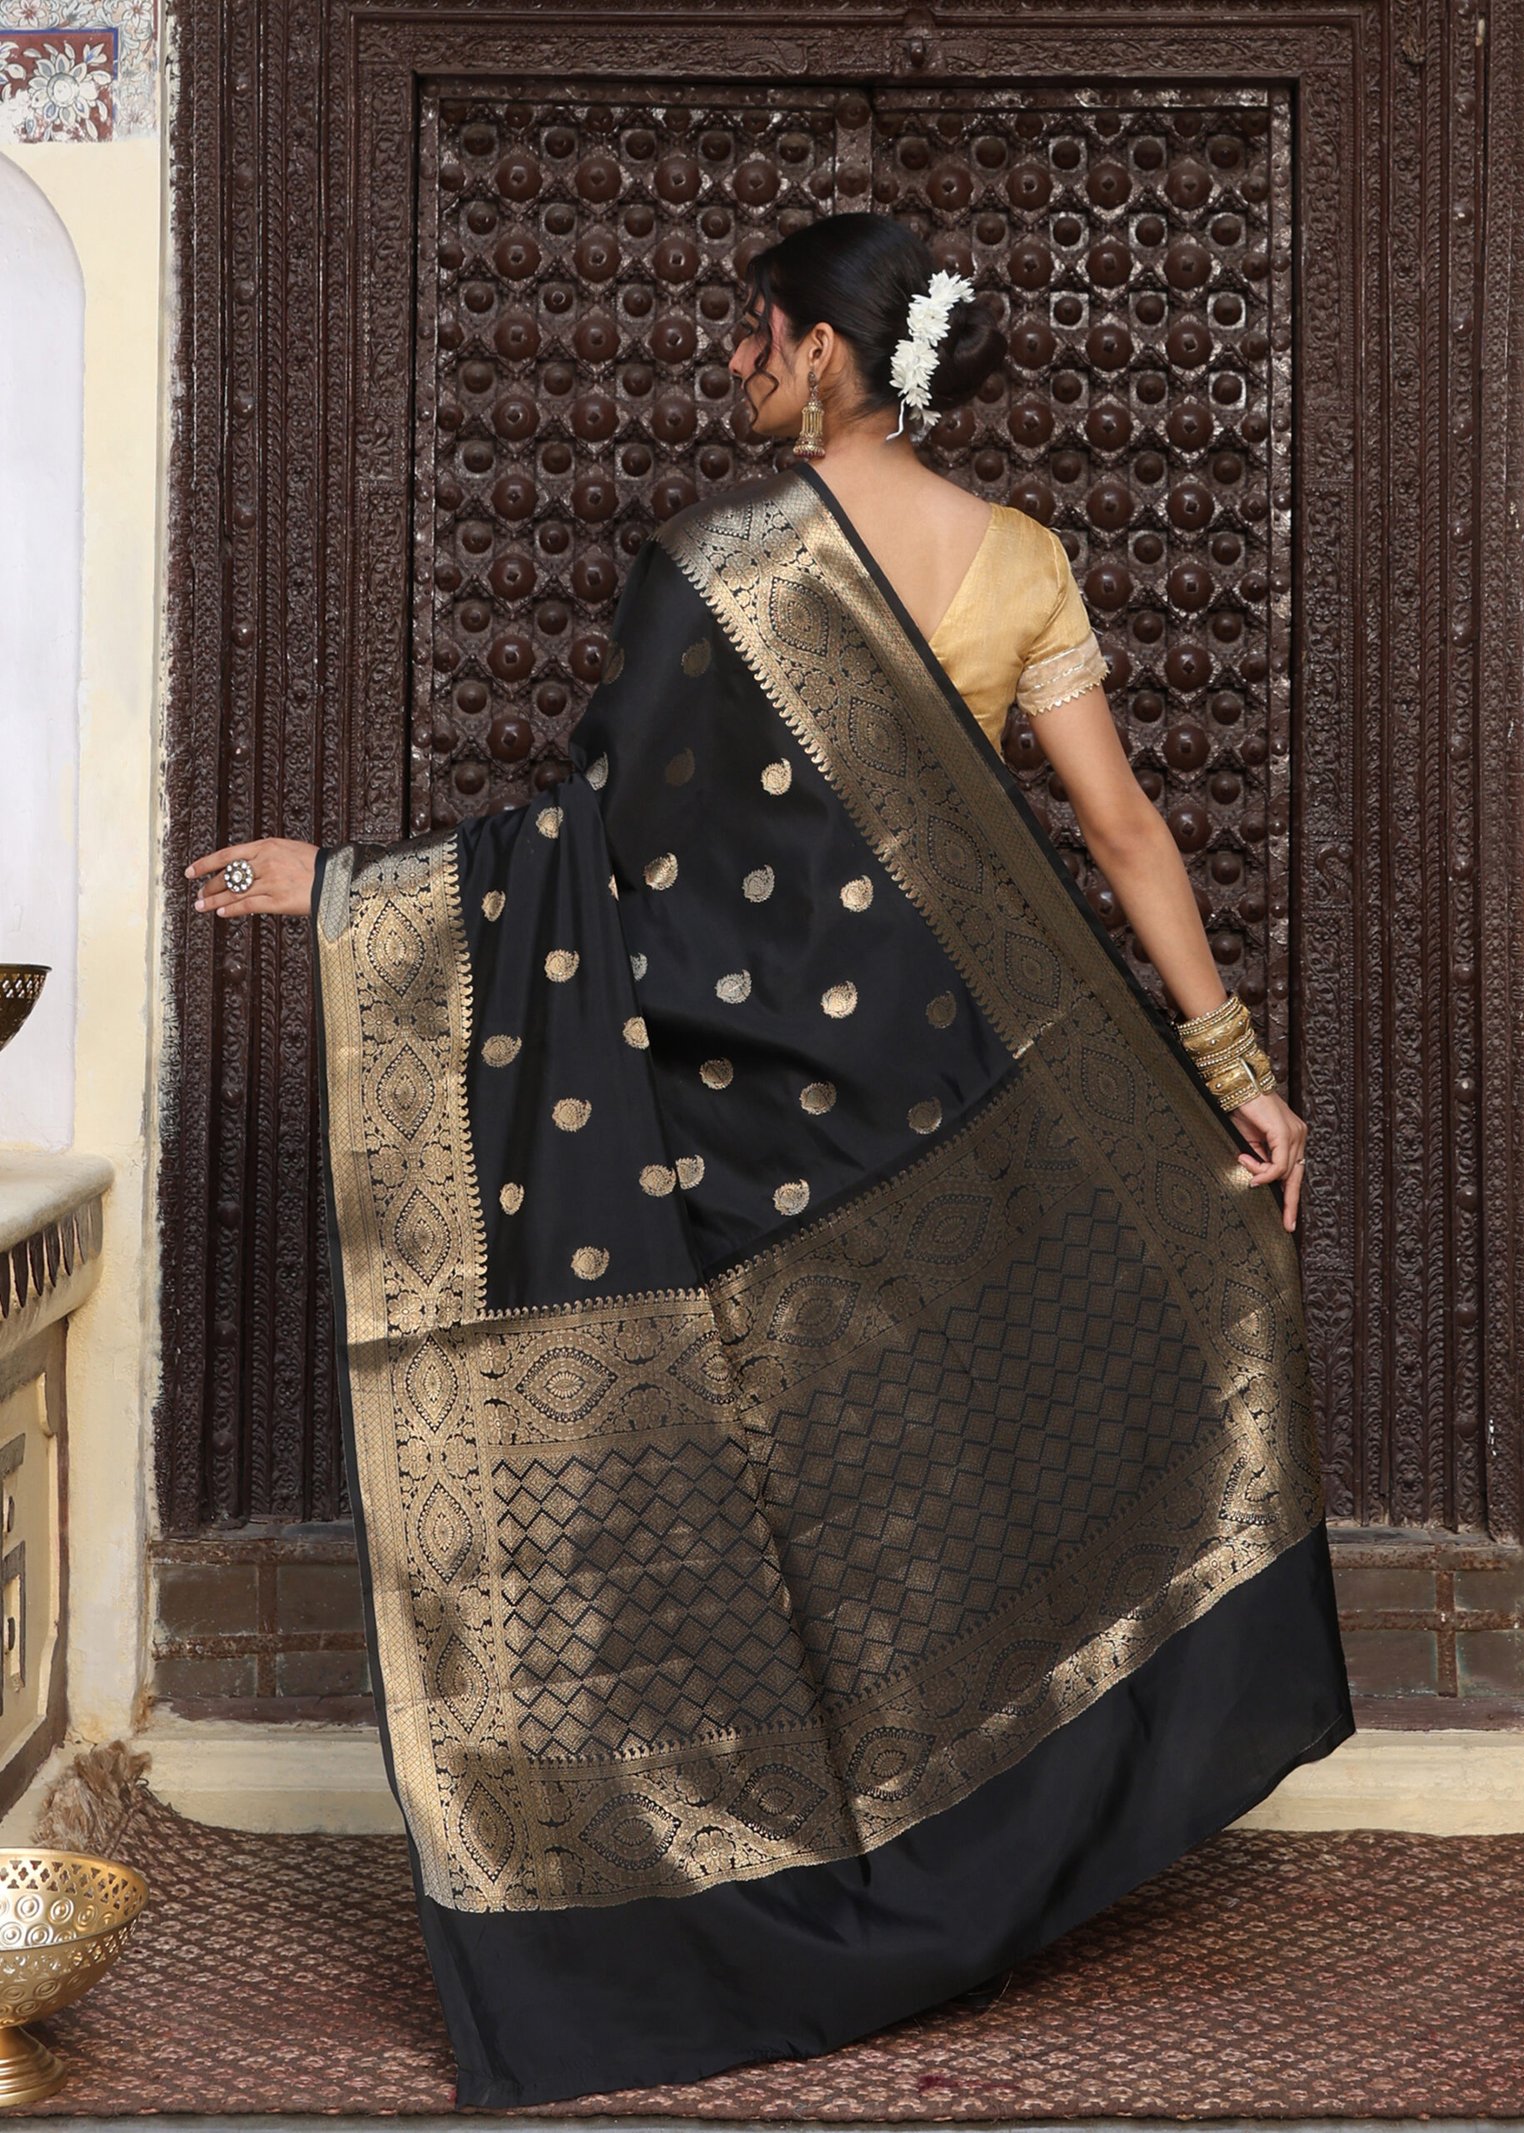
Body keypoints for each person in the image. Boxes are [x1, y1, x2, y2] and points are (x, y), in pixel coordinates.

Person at [186, 212, 1352, 2109]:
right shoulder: (1019, 557)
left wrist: (349, 888)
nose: (734, 365)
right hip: (956, 1093)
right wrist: (1236, 1070)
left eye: (754, 334)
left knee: (782, 1492)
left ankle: (764, 1900)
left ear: (823, 353)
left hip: (747, 1117)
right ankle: (976, 1861)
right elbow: (1127, 831)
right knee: (949, 1476)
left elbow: (597, 851)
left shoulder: (720, 563)